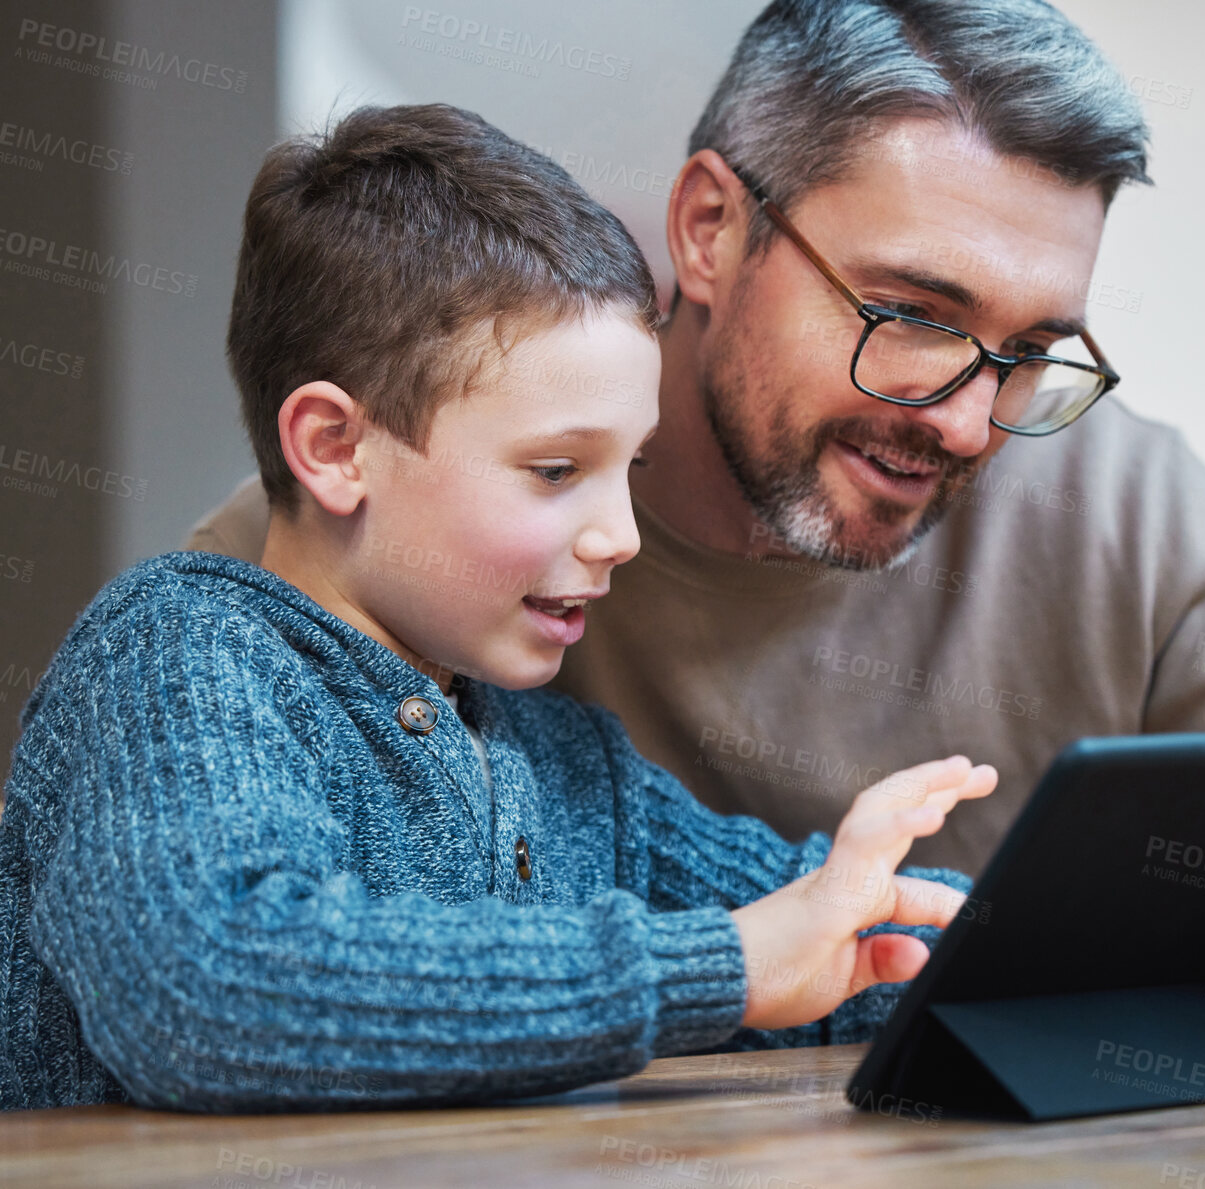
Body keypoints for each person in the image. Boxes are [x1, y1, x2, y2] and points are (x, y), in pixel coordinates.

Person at [190, 0, 1205, 1058]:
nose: (964, 418)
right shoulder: (380, 545)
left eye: (1026, 352)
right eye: (914, 318)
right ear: (709, 229)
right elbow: (195, 956)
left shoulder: (1115, 505)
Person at [0, 103, 999, 1113]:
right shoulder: (177, 655)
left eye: (627, 468)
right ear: (336, 447)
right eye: (556, 468)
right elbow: (206, 991)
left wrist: (1037, 932)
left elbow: (826, 934)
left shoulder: (569, 771)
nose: (620, 535)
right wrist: (721, 963)